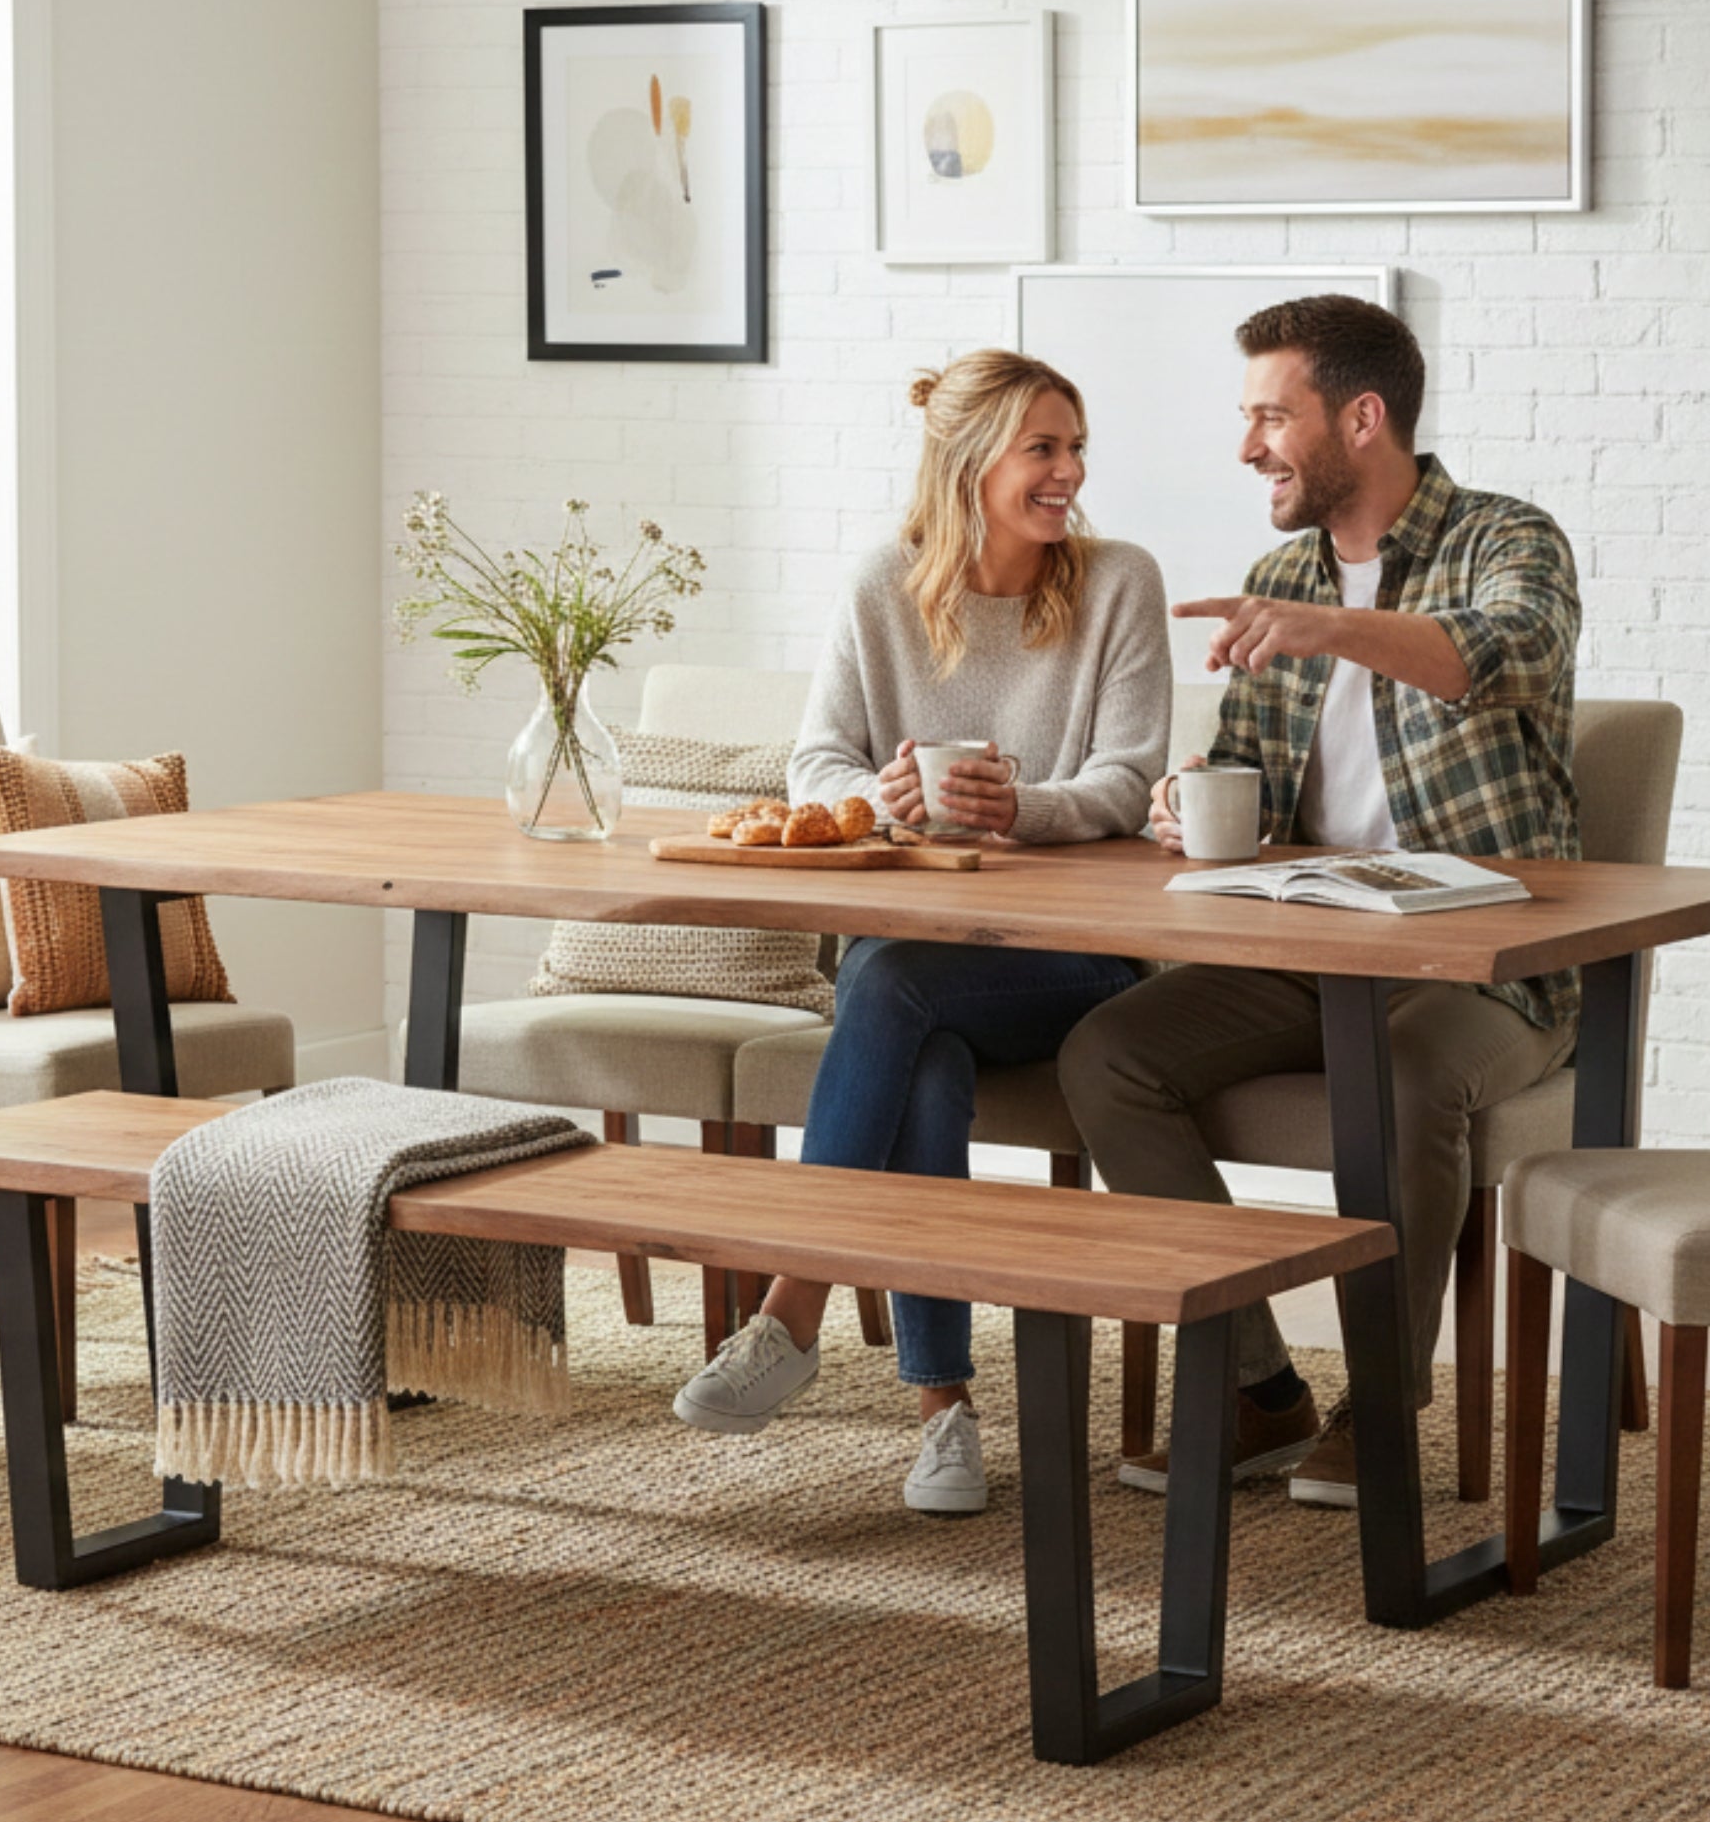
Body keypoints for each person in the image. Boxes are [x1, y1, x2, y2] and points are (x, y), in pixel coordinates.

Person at [1059, 293, 1582, 1511]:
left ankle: (1382, 1405)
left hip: (1490, 965)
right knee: (1108, 1054)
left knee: (1402, 1073)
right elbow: (1245, 771)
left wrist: (1332, 625)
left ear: (1359, 417)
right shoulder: (1276, 571)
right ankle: (1259, 1388)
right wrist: (1190, 802)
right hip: (1306, 948)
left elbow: (1500, 655)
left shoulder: (1510, 540)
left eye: (1267, 416)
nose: (1247, 447)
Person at [670, 348, 1172, 1514]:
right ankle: (942, 1413)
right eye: (1041, 448)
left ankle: (791, 1302)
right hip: (918, 964)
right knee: (921, 1058)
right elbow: (816, 759)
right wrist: (878, 796)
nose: (1069, 472)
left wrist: (1026, 806)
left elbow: (1127, 775)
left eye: (1074, 444)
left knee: (887, 985)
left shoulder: (1115, 583)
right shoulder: (880, 589)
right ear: (967, 462)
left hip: (1070, 965)